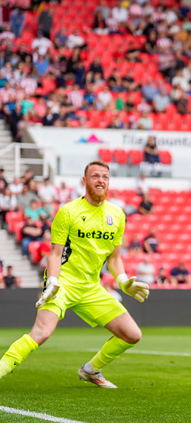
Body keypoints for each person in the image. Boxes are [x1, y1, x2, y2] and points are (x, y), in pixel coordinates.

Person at [0, 161, 149, 388]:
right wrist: (52, 280)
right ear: (84, 181)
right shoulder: (68, 211)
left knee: (132, 334)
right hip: (63, 283)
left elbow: (115, 258)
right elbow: (55, 253)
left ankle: (90, 370)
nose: (101, 180)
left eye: (105, 177)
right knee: (41, 332)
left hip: (91, 287)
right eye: (95, 176)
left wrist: (123, 281)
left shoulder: (117, 214)